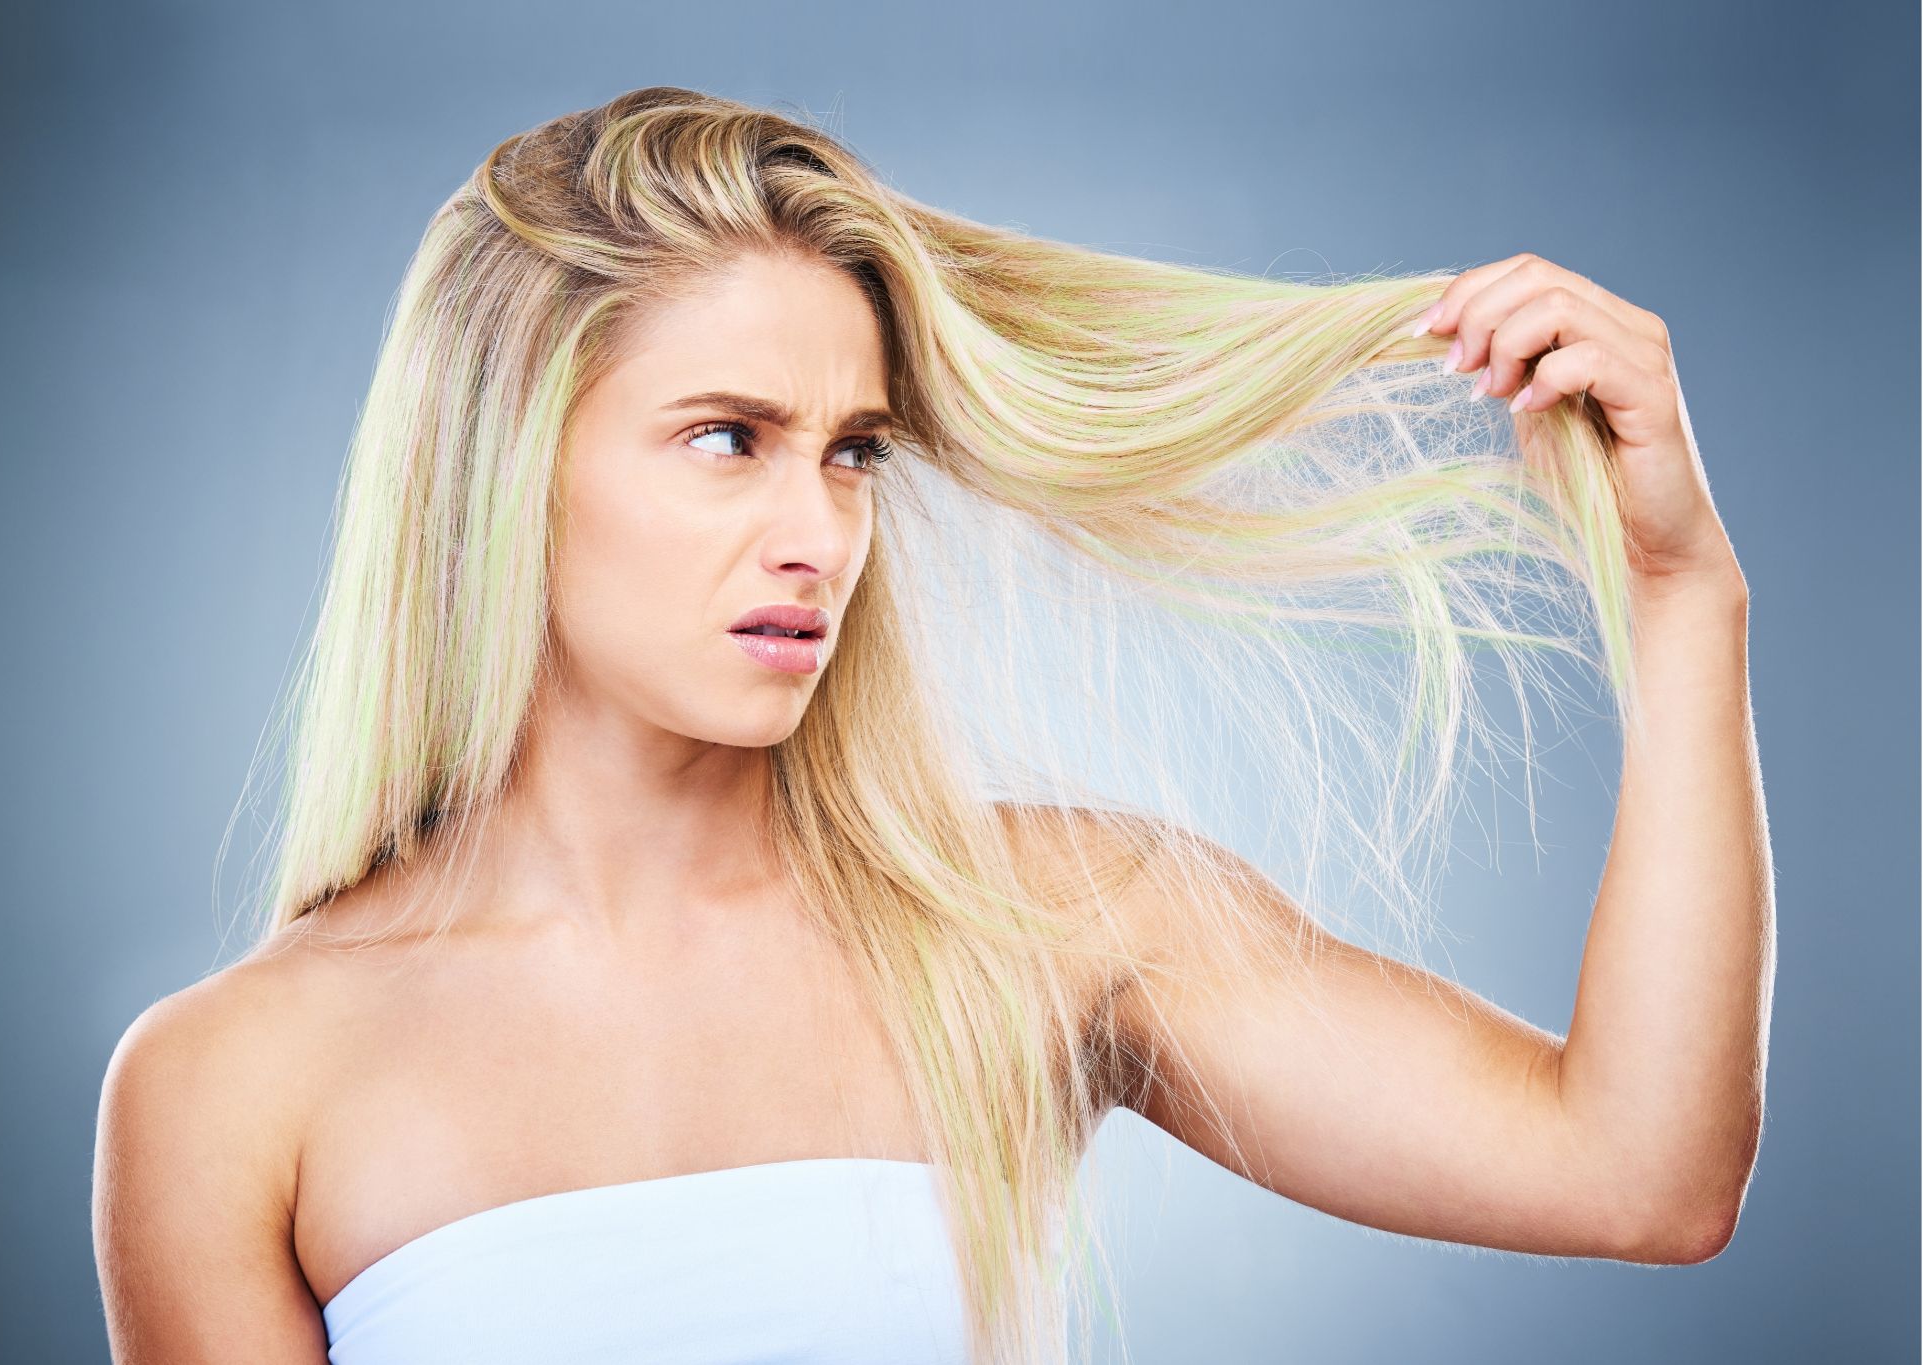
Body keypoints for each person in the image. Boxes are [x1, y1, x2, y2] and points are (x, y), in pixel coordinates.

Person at [91, 86, 1773, 1365]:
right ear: (502, 468)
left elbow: (1638, 1172)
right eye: (725, 436)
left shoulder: (1038, 927)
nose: (816, 531)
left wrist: (1687, 598)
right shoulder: (232, 1086)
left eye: (853, 450)